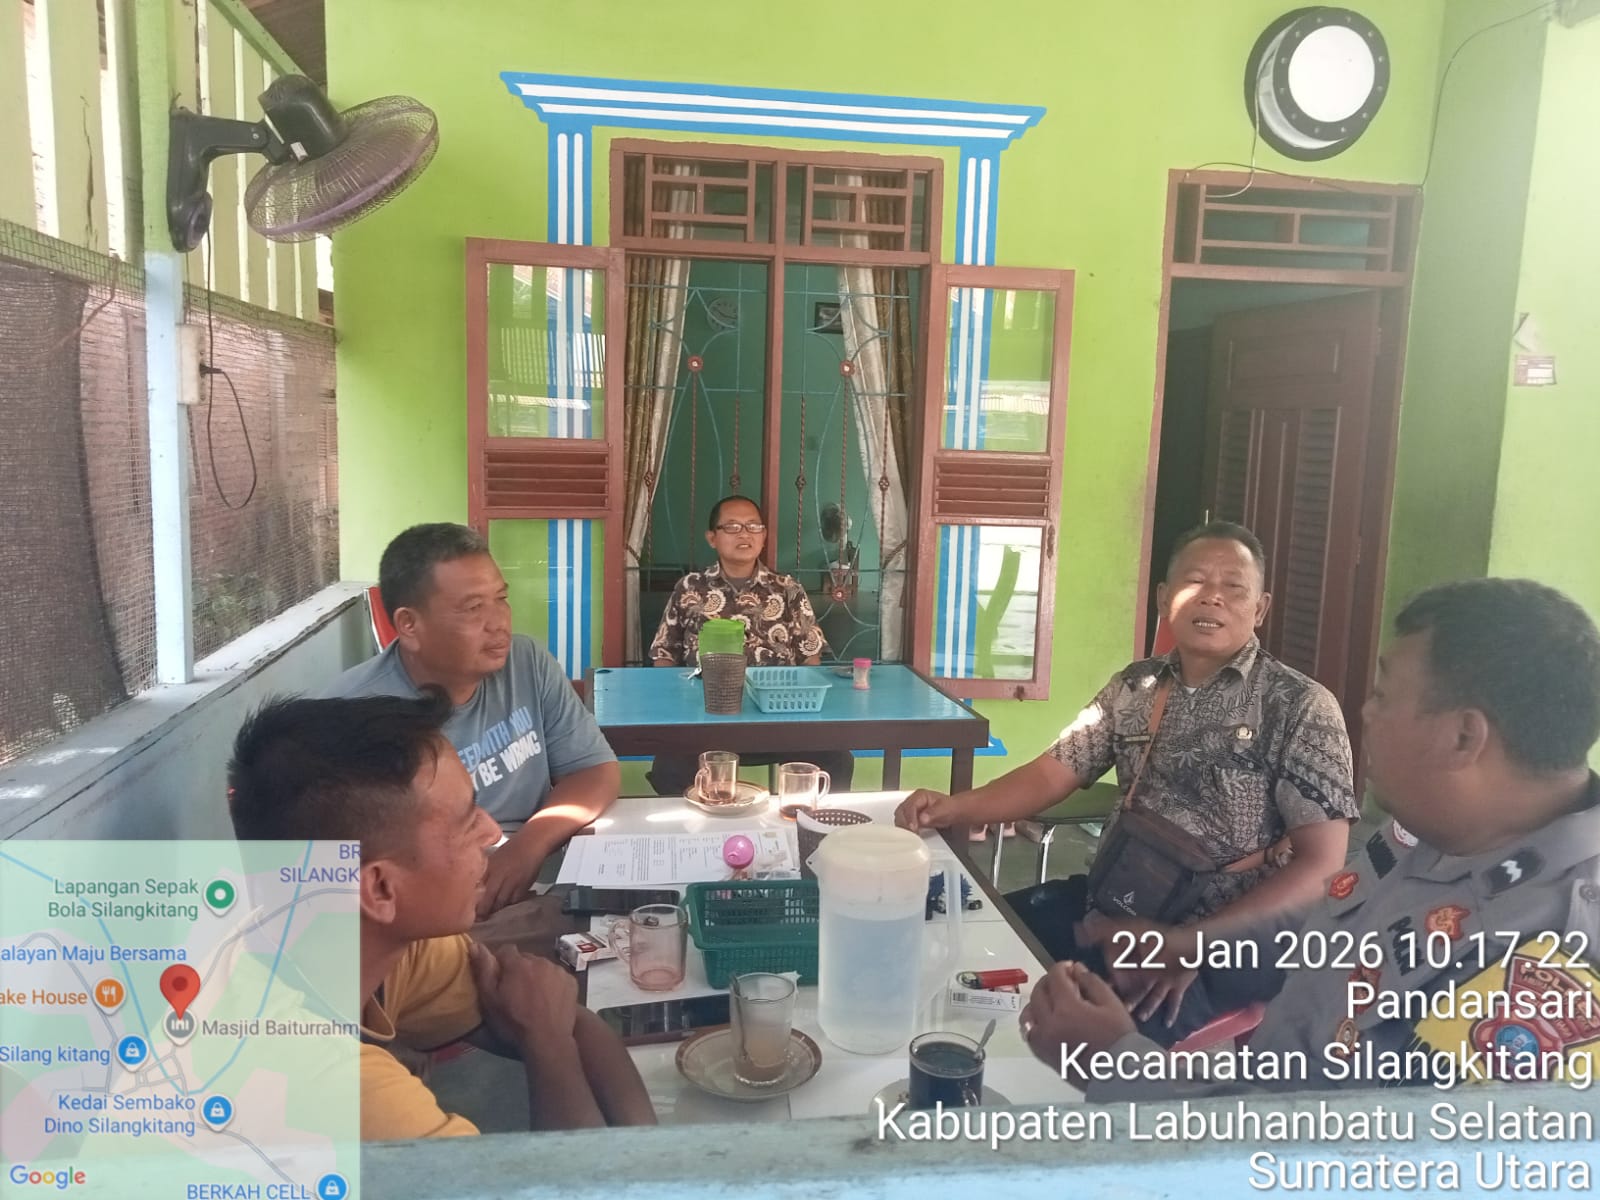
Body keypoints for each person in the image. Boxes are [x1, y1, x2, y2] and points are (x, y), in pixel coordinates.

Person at [1022, 577, 1600, 1100]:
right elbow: (1338, 942)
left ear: (1462, 738)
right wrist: (1190, 946)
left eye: (1384, 694)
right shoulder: (1439, 831)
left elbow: (1336, 1160)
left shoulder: (1550, 970)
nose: (1365, 713)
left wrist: (1118, 1064)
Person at [896, 521, 1357, 1040]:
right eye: (1195, 581)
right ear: (1164, 597)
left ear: (1260, 608)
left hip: (1221, 943)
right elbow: (1052, 772)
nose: (1212, 598)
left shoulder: (1299, 705)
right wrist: (953, 807)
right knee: (966, 948)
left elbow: (1322, 865)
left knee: (1082, 1047)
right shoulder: (1136, 687)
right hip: (1116, 904)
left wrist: (1195, 945)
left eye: (1233, 587)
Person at [227, 691, 656, 1139]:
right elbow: (577, 1175)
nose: (491, 832)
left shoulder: (361, 940)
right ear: (379, 888)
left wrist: (651, 1152)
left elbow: (569, 1019)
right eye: (467, 821)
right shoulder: (338, 1086)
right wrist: (547, 1043)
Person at [327, 523, 620, 915]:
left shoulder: (527, 663)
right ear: (409, 625)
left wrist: (527, 846)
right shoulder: (350, 716)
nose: (499, 622)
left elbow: (594, 769)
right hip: (428, 910)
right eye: (473, 608)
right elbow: (333, 878)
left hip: (539, 877)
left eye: (501, 599)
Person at [647, 494, 855, 795]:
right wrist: (677, 707)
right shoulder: (690, 588)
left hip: (779, 719)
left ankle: (803, 820)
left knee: (836, 759)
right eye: (732, 526)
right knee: (669, 768)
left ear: (764, 536)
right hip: (705, 719)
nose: (744, 534)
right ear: (712, 538)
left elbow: (810, 657)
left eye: (753, 526)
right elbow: (664, 654)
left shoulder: (787, 589)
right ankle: (702, 825)